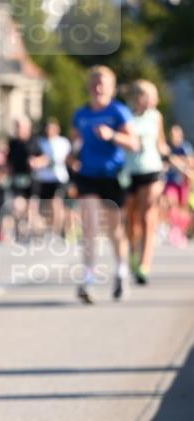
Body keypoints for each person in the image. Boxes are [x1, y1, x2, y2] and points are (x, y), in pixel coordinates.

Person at [70, 66, 138, 304]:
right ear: (89, 87)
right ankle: (87, 279)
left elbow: (133, 143)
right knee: (88, 226)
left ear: (111, 87)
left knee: (114, 229)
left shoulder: (118, 111)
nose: (98, 88)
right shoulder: (80, 115)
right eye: (94, 83)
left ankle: (121, 272)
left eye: (103, 83)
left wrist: (112, 136)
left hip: (112, 176)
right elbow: (75, 143)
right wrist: (71, 158)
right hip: (88, 176)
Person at [124, 80, 169, 284]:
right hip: (129, 172)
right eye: (145, 95)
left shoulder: (155, 117)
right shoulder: (125, 116)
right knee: (131, 221)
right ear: (135, 97)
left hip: (151, 169)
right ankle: (133, 253)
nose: (149, 100)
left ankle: (144, 264)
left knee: (147, 217)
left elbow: (161, 144)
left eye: (151, 96)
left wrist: (175, 159)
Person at [30, 118, 71, 237]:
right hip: (43, 178)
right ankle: (49, 230)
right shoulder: (40, 142)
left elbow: (68, 159)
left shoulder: (63, 142)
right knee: (45, 206)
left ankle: (57, 231)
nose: (49, 130)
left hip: (58, 178)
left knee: (56, 203)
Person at [6, 117, 40, 239]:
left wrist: (36, 162)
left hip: (31, 178)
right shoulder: (13, 142)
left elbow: (44, 158)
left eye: (20, 126)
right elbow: (8, 161)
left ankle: (32, 232)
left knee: (32, 208)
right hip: (17, 177)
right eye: (16, 126)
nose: (18, 129)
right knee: (17, 205)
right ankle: (19, 230)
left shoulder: (34, 141)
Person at [163, 125, 193, 248]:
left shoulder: (185, 147)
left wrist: (177, 162)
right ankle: (174, 229)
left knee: (182, 208)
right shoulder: (168, 148)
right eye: (172, 135)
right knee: (171, 204)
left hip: (182, 182)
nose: (174, 137)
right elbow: (165, 162)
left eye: (176, 135)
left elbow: (190, 163)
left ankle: (181, 231)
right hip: (170, 181)